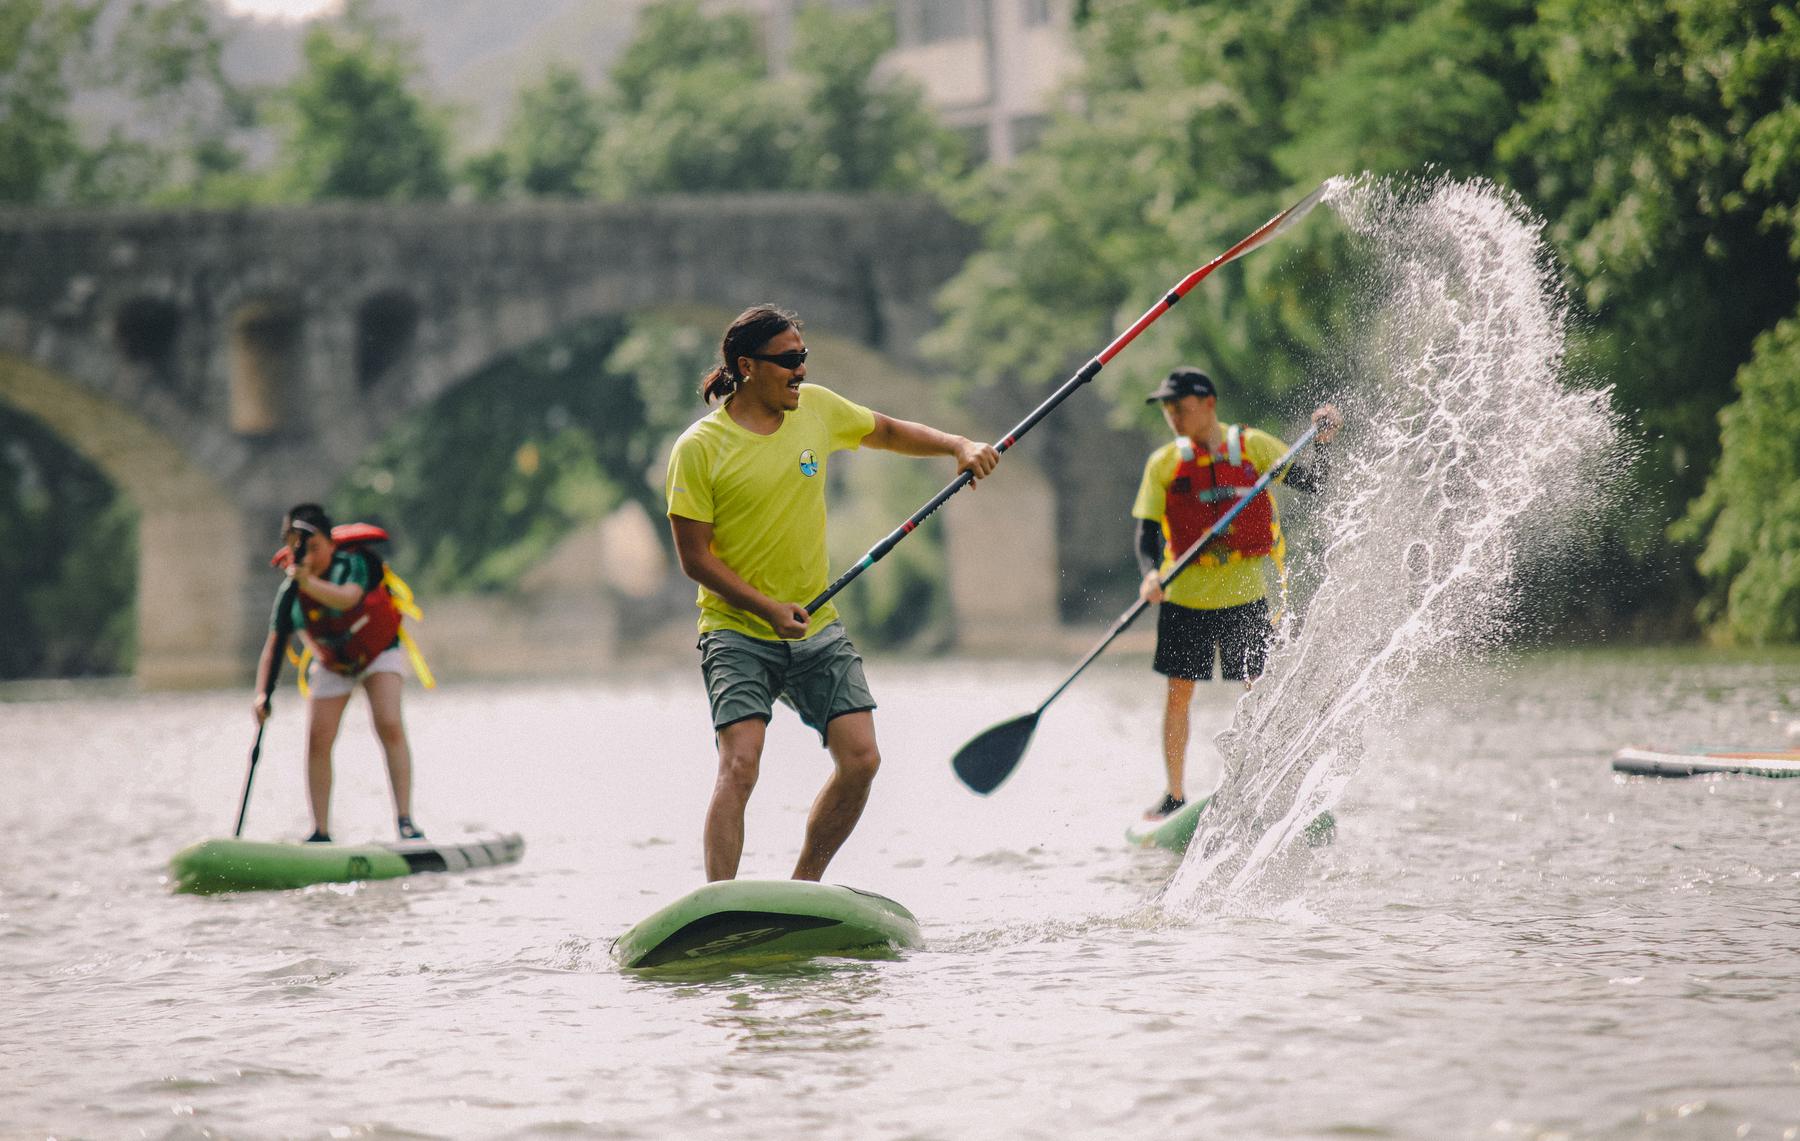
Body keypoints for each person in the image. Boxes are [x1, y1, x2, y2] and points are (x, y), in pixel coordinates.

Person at [666, 304, 1000, 882]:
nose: (800, 371)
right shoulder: (699, 450)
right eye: (788, 360)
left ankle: (804, 888)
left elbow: (889, 432)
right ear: (746, 367)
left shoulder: (817, 409)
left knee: (862, 759)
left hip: (816, 627)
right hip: (737, 632)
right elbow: (695, 559)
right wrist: (767, 609)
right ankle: (717, 905)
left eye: (804, 358)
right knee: (740, 765)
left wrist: (957, 445)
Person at [1131, 367, 1341, 821]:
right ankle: (1174, 794)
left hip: (1245, 597)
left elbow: (1314, 484)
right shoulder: (1164, 463)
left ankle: (1273, 787)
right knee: (1179, 694)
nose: (1173, 417)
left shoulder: (1254, 447)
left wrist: (1322, 443)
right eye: (1167, 410)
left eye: (1180, 408)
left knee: (1259, 693)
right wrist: (1150, 575)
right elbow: (1147, 535)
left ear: (1207, 404)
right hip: (1184, 599)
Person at [252, 504, 425, 843]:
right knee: (318, 739)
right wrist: (262, 695)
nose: (308, 556)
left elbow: (348, 600)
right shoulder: (289, 592)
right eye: (299, 547)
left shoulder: (353, 564)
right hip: (333, 663)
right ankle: (320, 831)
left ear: (330, 544)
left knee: (388, 723)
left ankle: (406, 821)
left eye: (314, 547)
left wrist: (307, 582)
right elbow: (274, 646)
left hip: (378, 653)